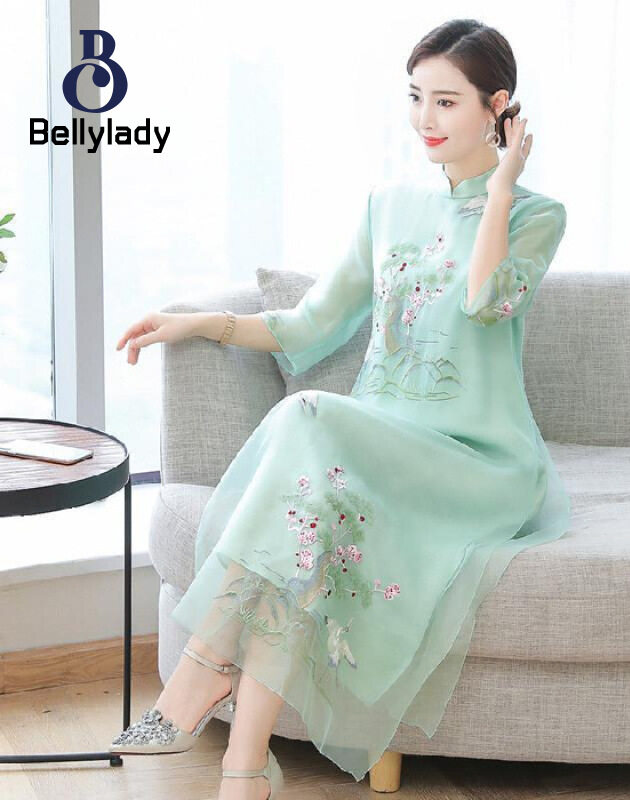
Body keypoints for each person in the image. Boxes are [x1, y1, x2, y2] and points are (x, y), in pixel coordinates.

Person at [110, 18, 571, 800]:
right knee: (307, 520)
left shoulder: (535, 215)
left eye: (447, 102)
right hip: (377, 445)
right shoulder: (386, 207)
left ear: (499, 106)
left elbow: (485, 300)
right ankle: (244, 767)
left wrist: (498, 191)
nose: (424, 119)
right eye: (416, 97)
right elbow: (311, 325)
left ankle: (203, 667)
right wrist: (201, 323)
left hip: (478, 462)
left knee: (308, 419)